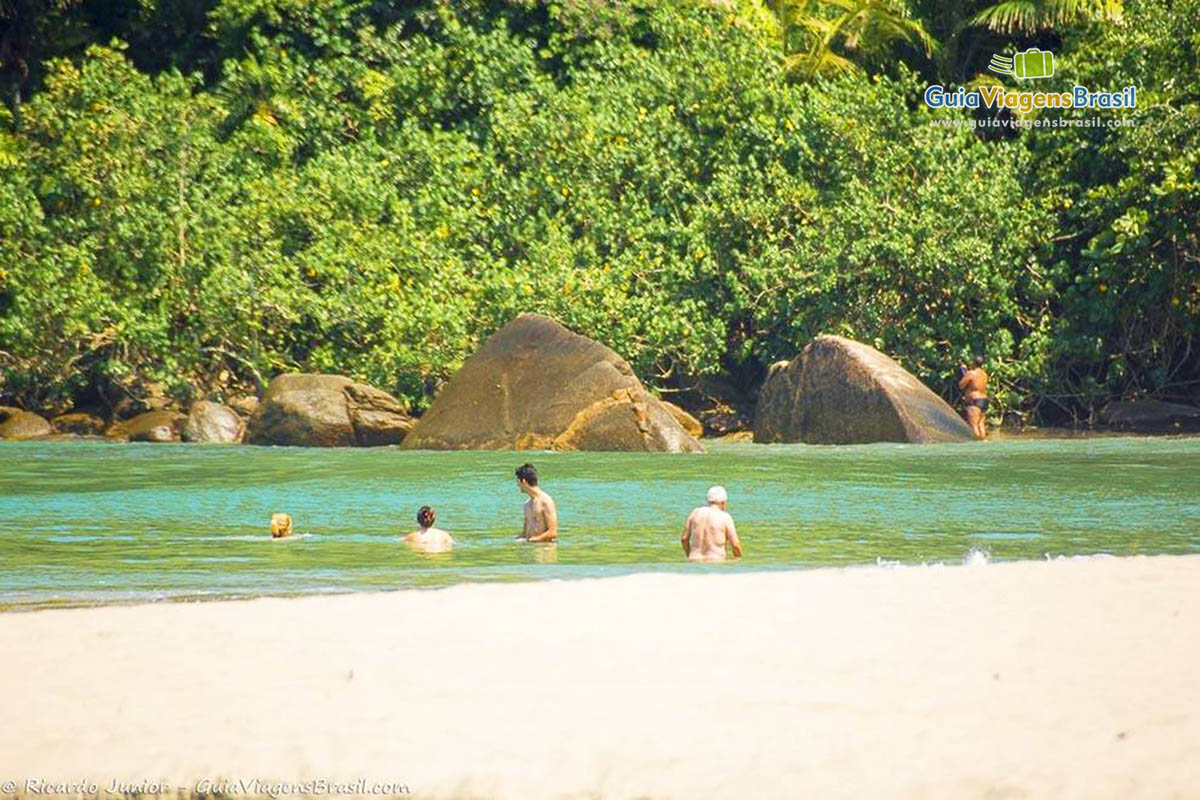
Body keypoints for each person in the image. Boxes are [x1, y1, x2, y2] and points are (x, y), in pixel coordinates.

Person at [682, 486, 742, 562]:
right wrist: (738, 560)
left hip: (694, 560)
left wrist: (689, 555)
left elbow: (684, 539)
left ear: (708, 501)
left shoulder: (695, 513)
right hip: (715, 562)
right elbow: (735, 545)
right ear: (723, 503)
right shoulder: (725, 517)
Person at [515, 463, 558, 542]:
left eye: (517, 481)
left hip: (545, 549)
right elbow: (524, 534)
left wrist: (533, 540)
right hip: (531, 549)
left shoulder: (546, 501)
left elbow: (553, 532)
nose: (517, 485)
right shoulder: (527, 504)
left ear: (523, 481)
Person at [958, 355, 990, 440]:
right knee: (981, 425)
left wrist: (964, 371)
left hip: (975, 401)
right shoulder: (984, 374)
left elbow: (961, 385)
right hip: (984, 400)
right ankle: (984, 443)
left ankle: (977, 445)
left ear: (973, 363)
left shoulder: (971, 373)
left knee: (974, 425)